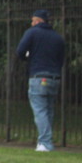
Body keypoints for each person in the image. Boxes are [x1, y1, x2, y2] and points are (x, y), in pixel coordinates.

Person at [16, 9, 66, 152]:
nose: (31, 23)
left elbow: (20, 51)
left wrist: (28, 58)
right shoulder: (57, 37)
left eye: (33, 21)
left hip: (38, 75)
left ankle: (45, 143)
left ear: (38, 20)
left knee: (40, 110)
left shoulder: (32, 32)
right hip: (54, 77)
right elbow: (61, 59)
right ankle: (46, 140)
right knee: (49, 110)